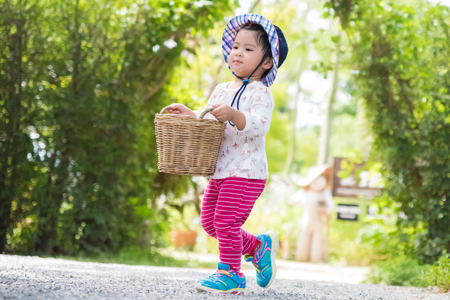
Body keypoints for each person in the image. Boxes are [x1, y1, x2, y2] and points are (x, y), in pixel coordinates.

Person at [165, 14, 289, 295]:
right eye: (235, 47)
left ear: (267, 62)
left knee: (226, 222)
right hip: (221, 168)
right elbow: (208, 121)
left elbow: (258, 125)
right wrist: (191, 114)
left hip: (246, 171)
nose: (237, 53)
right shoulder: (222, 89)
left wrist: (235, 115)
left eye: (248, 49)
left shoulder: (261, 93)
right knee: (211, 224)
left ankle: (230, 274)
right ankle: (258, 247)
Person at [290, 165, 334, 263]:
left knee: (318, 239)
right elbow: (294, 199)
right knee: (304, 237)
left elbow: (330, 205)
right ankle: (302, 257)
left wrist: (326, 210)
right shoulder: (306, 192)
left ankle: (315, 258)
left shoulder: (325, 193)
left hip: (318, 220)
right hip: (306, 220)